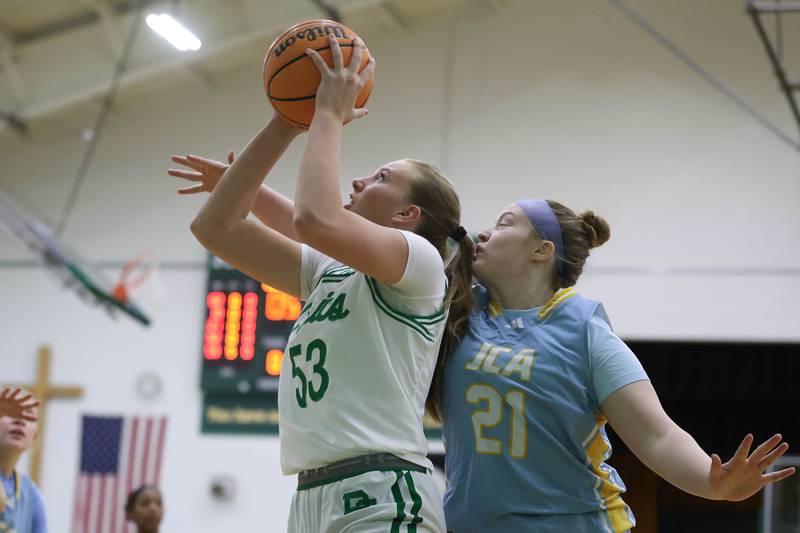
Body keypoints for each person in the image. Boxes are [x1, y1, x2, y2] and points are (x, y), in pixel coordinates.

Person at [185, 33, 473, 532]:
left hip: (384, 490)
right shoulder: (332, 272)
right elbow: (215, 228)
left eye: (381, 177)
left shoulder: (421, 263)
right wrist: (283, 122)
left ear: (409, 214)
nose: (360, 181)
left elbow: (313, 219)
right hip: (312, 494)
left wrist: (326, 115)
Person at [441, 199, 795, 532]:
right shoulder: (458, 312)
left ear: (542, 249)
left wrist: (712, 483)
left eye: (504, 224)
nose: (484, 233)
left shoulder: (584, 332)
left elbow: (659, 435)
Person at [0, 390, 47, 533]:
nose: (19, 420)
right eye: (11, 414)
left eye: (29, 417)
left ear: (34, 438)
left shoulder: (33, 496)